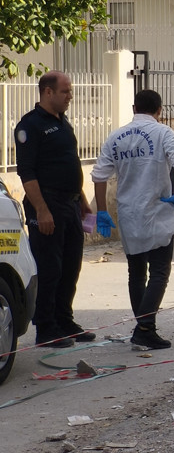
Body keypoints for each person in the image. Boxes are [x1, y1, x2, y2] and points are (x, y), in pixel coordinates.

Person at [91, 90, 174, 350]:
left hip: (129, 214)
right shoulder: (163, 132)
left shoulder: (116, 136)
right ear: (159, 110)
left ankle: (144, 328)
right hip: (157, 211)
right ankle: (145, 329)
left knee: (136, 273)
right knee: (159, 272)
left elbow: (99, 175)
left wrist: (102, 210)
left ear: (134, 108)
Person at [15, 71, 95, 348]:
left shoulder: (63, 122)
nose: (70, 96)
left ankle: (64, 321)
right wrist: (41, 210)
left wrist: (81, 198)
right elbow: (27, 172)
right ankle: (46, 328)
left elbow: (68, 162)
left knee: (71, 266)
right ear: (48, 92)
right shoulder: (30, 125)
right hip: (47, 204)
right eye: (65, 91)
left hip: (70, 204)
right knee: (50, 268)